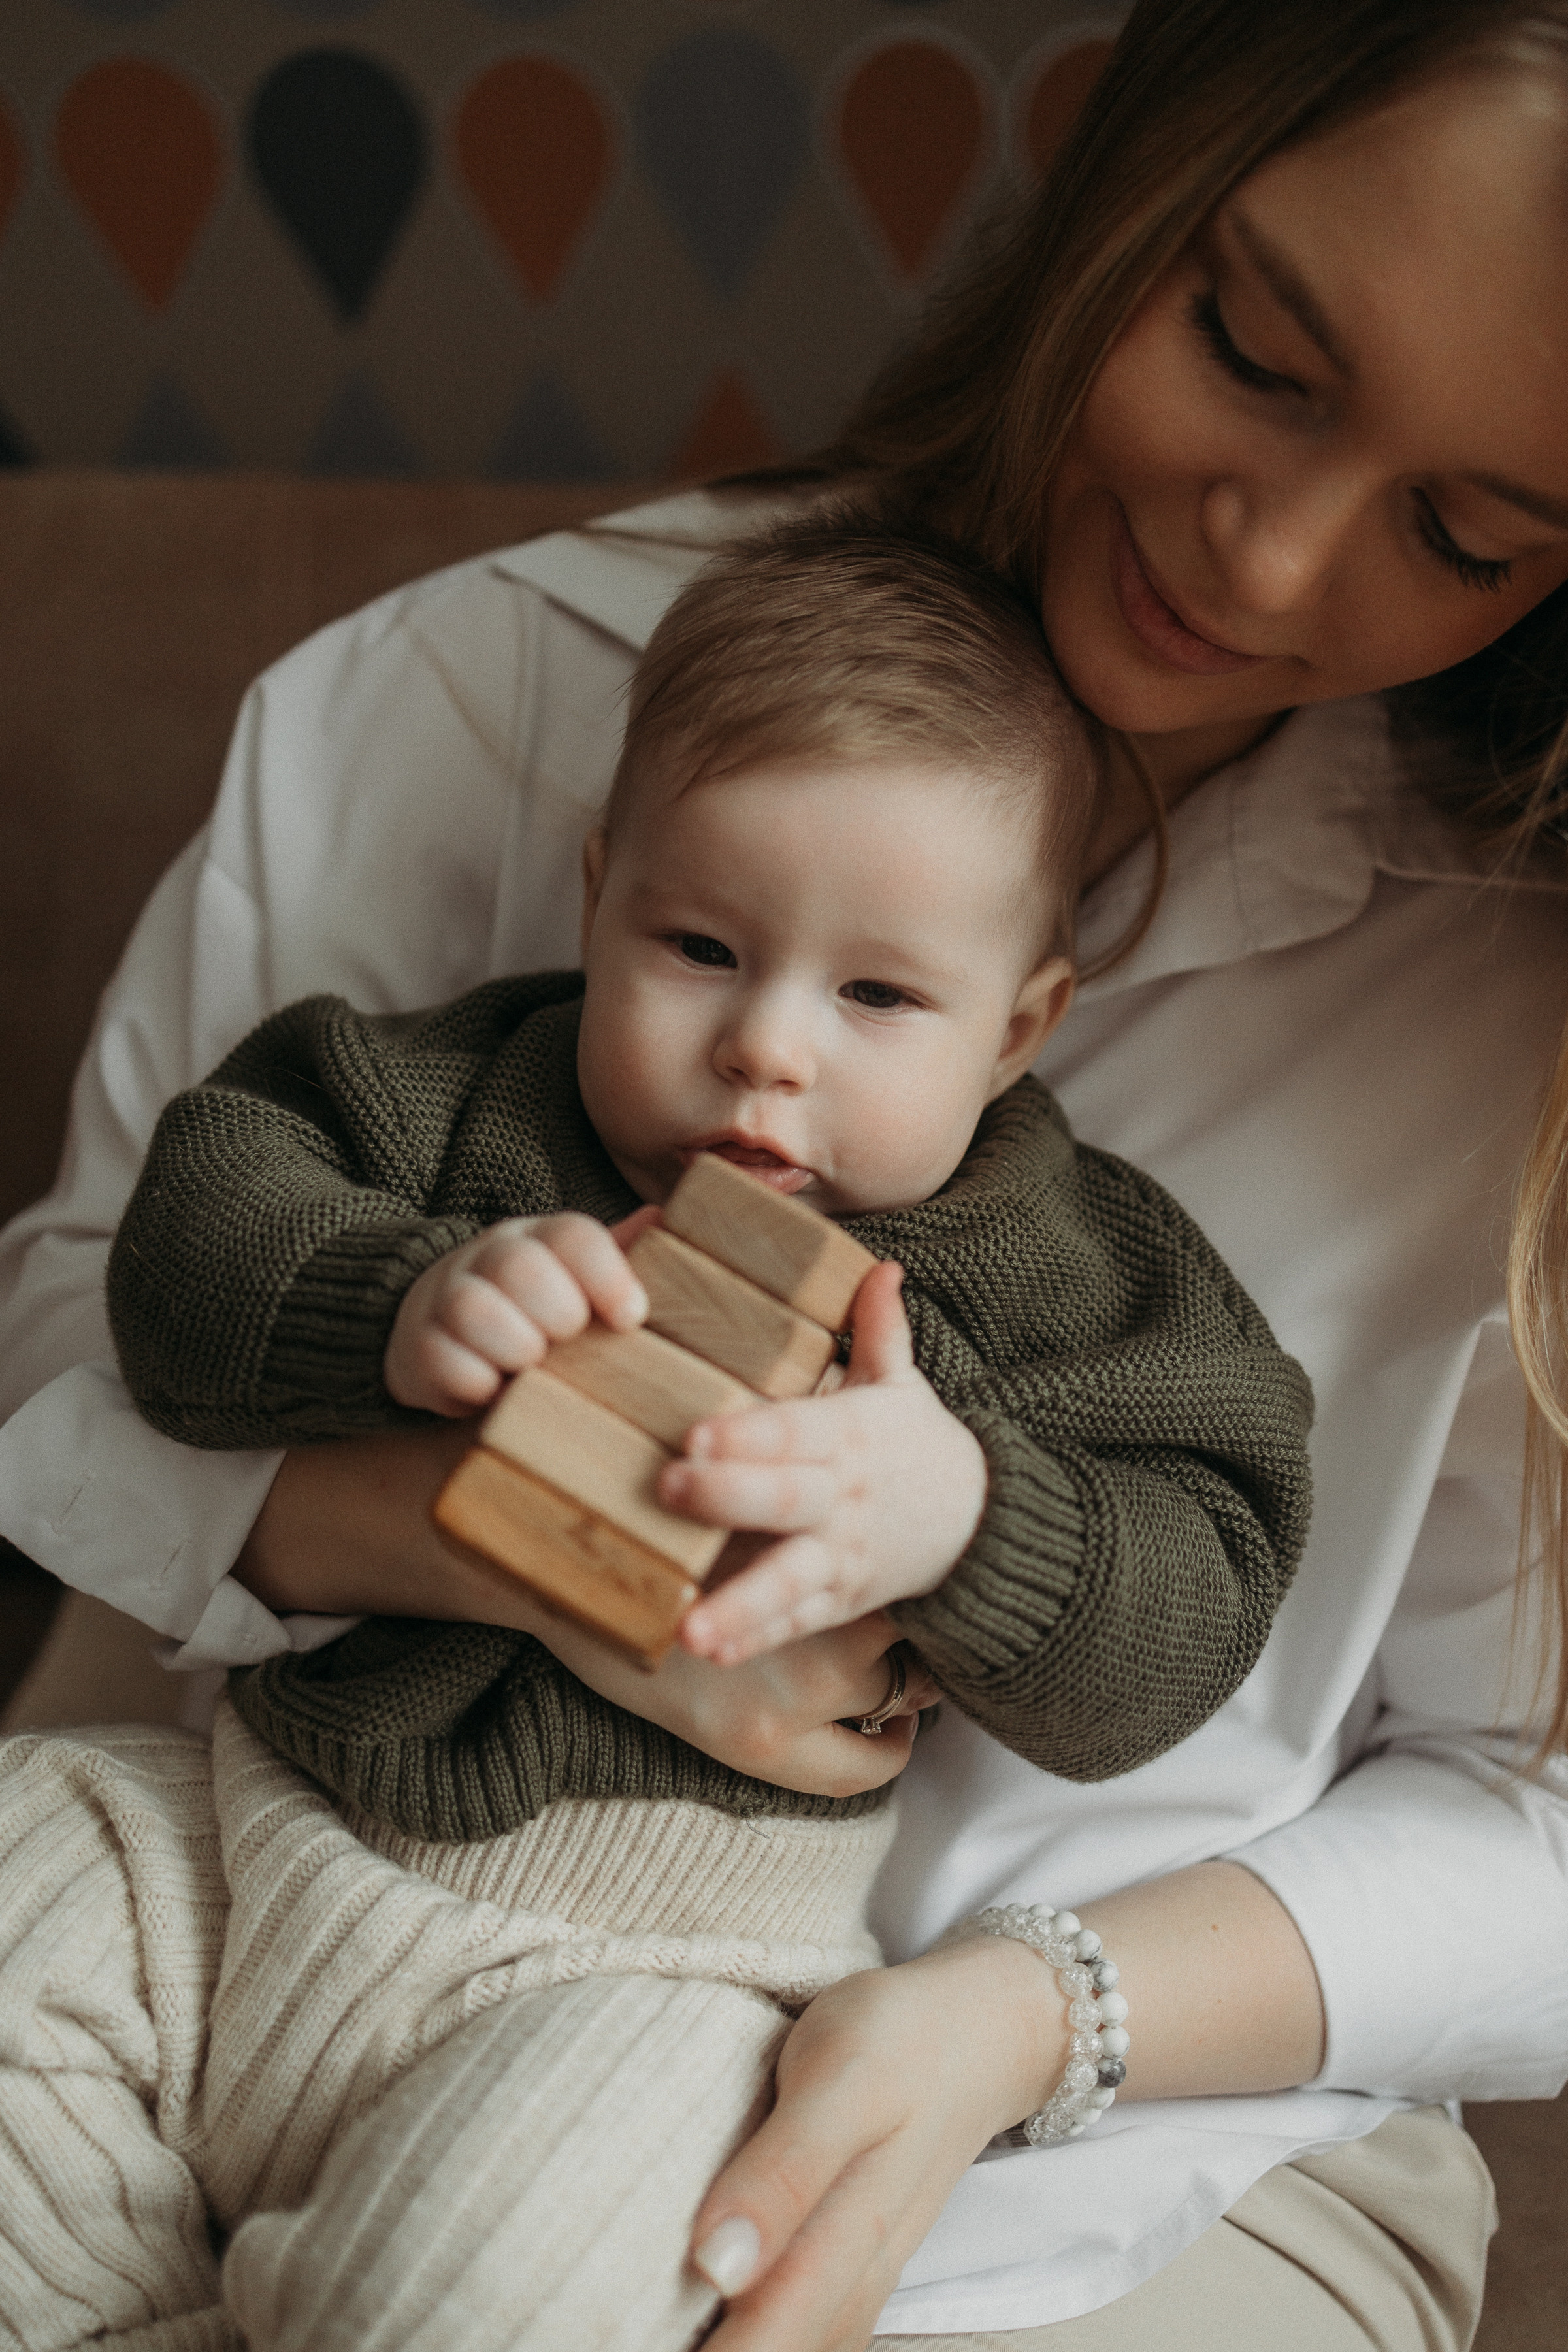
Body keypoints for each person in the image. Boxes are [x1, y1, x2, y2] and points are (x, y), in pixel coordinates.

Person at [3, 1, 1568, 2346]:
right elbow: (93, 1338)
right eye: (1254, 351)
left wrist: (1019, 2017)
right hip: (279, 1879)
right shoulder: (476, 704)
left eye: (1468, 530)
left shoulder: (1490, 1013)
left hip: (1131, 2146)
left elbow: (1494, 1793)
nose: (1266, 556)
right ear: (1128, 180)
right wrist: (509, 1524)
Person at [80, 514, 1310, 2347]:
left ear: (1021, 1024)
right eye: (703, 944)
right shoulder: (453, 1098)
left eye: (878, 994)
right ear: (598, 892)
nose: (766, 1048)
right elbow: (187, 1241)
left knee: (476, 2296)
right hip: (255, 1836)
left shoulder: (1073, 1277)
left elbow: (1200, 1595)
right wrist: (398, 1301)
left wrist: (973, 1516)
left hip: (663, 1973)